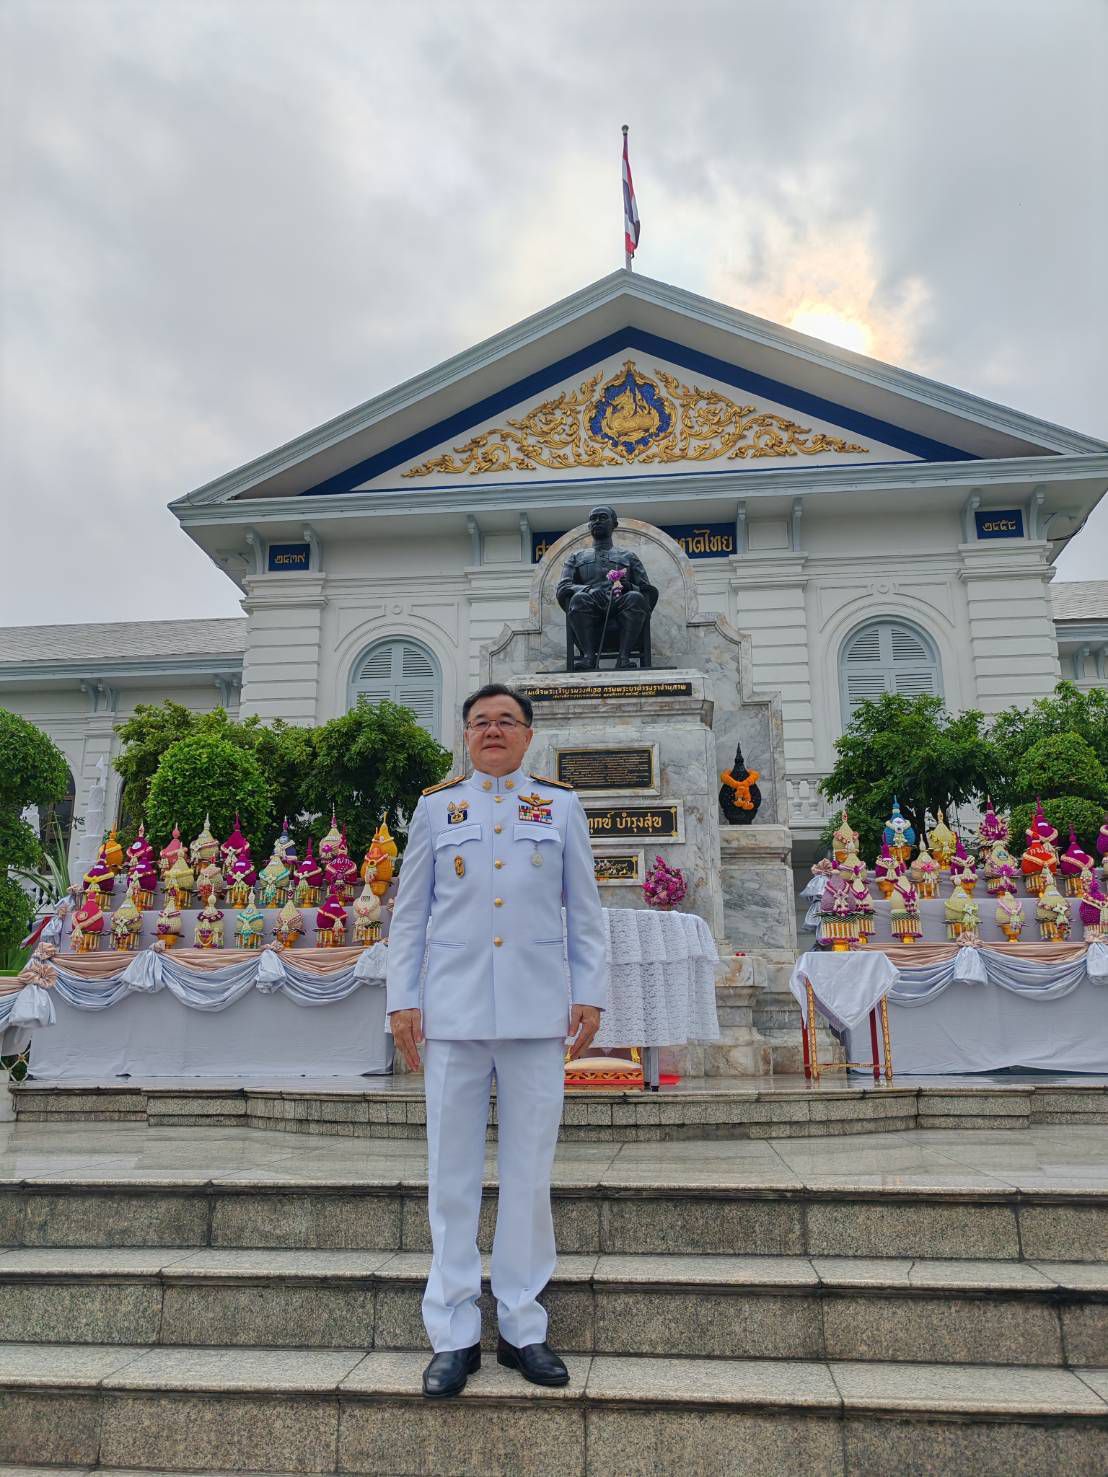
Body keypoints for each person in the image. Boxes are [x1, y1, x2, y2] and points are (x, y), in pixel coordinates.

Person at [386, 682, 607, 1399]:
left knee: (528, 1174)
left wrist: (589, 992)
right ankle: (452, 1332)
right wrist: (403, 1001)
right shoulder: (434, 808)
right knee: (450, 1175)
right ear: (464, 733)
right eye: (480, 720)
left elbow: (586, 910)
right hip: (450, 1014)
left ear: (527, 734)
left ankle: (521, 1323)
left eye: (506, 720)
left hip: (536, 1013)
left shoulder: (562, 806)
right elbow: (409, 914)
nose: (492, 730)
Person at [556, 504, 656, 669]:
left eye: (603, 517)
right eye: (593, 519)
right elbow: (564, 587)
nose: (597, 521)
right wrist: (587, 590)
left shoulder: (628, 556)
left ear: (614, 524)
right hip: (590, 605)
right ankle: (588, 657)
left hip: (620, 604)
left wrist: (629, 586)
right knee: (579, 598)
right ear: (589, 526)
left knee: (636, 598)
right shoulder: (576, 557)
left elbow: (647, 591)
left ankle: (624, 658)